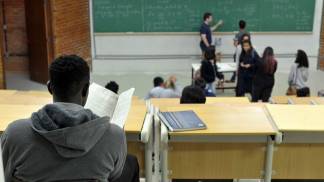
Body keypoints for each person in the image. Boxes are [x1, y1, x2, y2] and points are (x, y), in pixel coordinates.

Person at [1, 55, 128, 181]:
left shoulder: (15, 134)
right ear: (85, 90)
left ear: (50, 87)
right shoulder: (114, 136)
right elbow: (114, 176)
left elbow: (7, 176)